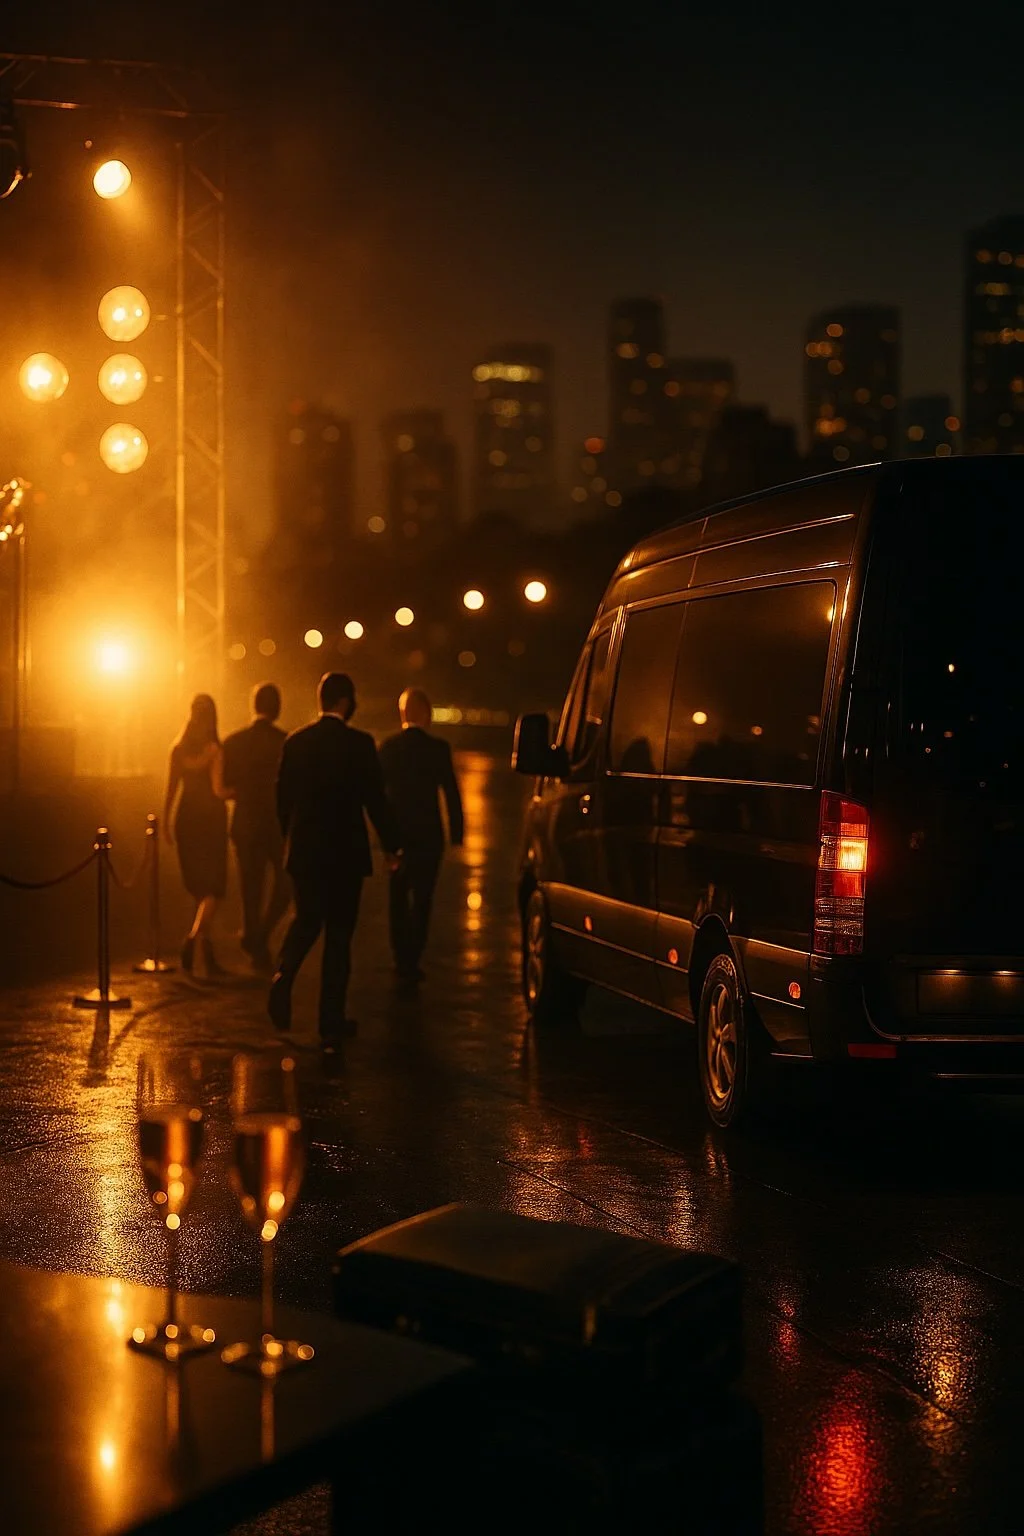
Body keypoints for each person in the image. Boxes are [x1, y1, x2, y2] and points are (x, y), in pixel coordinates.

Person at [270, 671, 402, 1044]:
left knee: (306, 919)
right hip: (346, 854)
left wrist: (290, 840)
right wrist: (394, 845)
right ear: (346, 702)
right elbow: (376, 801)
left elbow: (282, 801)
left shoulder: (296, 742)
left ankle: (284, 973)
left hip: (305, 852)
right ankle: (331, 1020)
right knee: (340, 937)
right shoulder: (361, 745)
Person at [378, 687, 464, 984]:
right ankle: (413, 956)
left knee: (398, 896)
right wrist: (457, 832)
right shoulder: (438, 749)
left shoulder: (388, 747)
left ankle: (400, 955)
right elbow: (451, 793)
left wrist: (382, 837)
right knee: (423, 899)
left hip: (397, 836)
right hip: (428, 835)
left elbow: (377, 796)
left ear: (403, 713)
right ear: (426, 715)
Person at [221, 682, 290, 972]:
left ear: (253, 706)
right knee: (287, 883)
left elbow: (226, 786)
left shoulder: (233, 741)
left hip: (245, 822)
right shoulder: (287, 742)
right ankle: (260, 936)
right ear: (277, 707)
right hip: (277, 822)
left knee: (251, 886)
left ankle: (254, 941)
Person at [164, 693, 228, 976]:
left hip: (186, 819)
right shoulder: (215, 749)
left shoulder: (177, 749)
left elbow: (170, 789)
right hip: (210, 820)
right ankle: (194, 941)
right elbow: (218, 790)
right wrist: (240, 792)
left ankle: (206, 949)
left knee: (199, 888)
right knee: (213, 888)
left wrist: (165, 821)